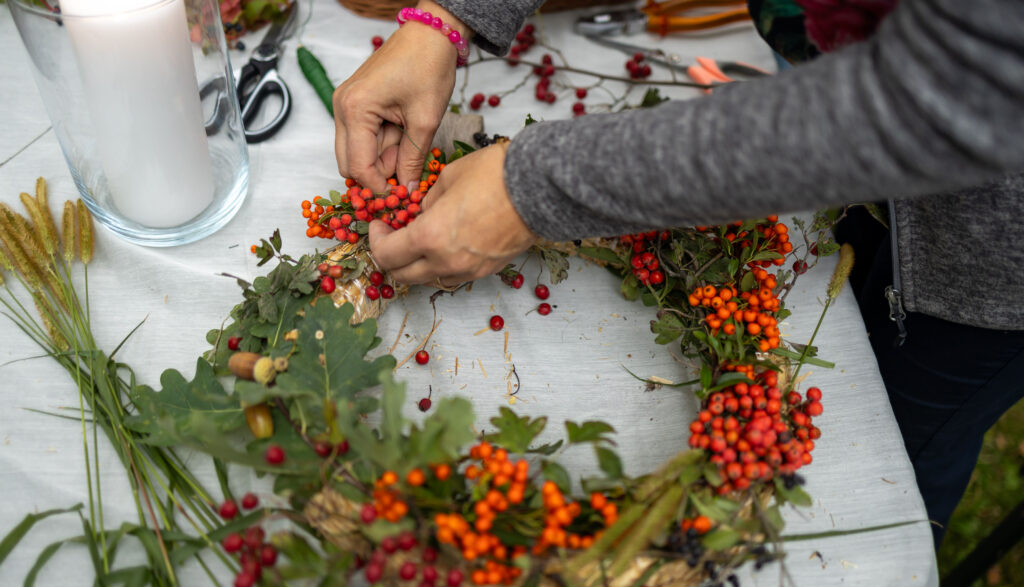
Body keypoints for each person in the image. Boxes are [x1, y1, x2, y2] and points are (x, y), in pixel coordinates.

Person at [332, 0, 1024, 548]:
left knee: (881, 464)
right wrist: (445, 19)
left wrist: (532, 191)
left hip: (991, 249)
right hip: (848, 99)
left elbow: (948, 96)